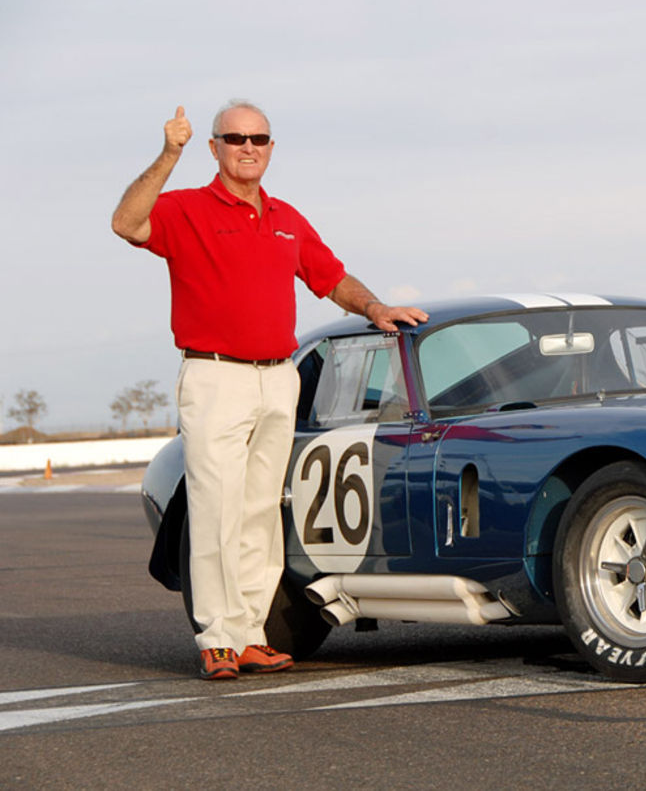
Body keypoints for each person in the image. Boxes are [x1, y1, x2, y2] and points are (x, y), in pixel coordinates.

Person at [111, 101, 428, 680]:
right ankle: (217, 638)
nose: (248, 146)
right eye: (234, 138)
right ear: (214, 148)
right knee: (215, 509)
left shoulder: (285, 216)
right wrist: (168, 153)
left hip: (277, 376)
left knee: (260, 510)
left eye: (258, 138)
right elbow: (126, 223)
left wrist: (376, 306)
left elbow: (330, 276)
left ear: (271, 148)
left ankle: (252, 632)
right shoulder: (187, 208)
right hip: (215, 376)